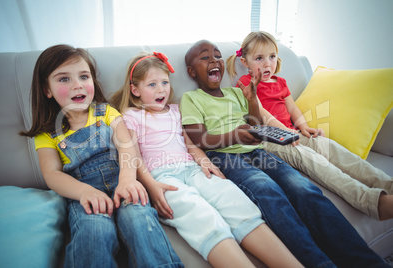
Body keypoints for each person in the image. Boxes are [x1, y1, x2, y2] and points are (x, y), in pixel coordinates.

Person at [181, 39, 389, 268]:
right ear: (191, 71)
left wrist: (251, 101)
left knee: (306, 190)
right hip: (226, 156)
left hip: (257, 149)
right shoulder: (191, 99)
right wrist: (235, 136)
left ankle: (367, 263)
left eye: (218, 55)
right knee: (269, 191)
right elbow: (200, 139)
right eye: (205, 57)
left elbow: (257, 123)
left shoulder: (237, 92)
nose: (214, 60)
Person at [110, 51, 303, 268]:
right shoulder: (130, 116)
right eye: (152, 84)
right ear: (135, 90)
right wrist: (151, 185)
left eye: (164, 82)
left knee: (233, 199)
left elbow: (190, 143)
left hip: (192, 169)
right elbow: (132, 156)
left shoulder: (175, 110)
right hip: (162, 176)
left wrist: (204, 161)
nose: (161, 89)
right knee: (201, 214)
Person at [19, 45, 183, 268]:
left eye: (83, 76)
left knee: (140, 221)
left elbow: (127, 145)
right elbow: (52, 174)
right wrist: (85, 192)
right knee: (94, 231)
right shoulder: (47, 134)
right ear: (47, 90)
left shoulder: (106, 112)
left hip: (123, 182)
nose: (77, 84)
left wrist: (127, 179)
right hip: (83, 194)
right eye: (64, 79)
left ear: (92, 82)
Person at [226, 31, 393, 221]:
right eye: (259, 58)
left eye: (272, 57)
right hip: (271, 139)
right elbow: (263, 114)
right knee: (316, 161)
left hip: (292, 133)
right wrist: (284, 131)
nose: (267, 64)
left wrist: (303, 127)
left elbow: (293, 109)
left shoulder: (280, 82)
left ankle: (388, 185)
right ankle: (373, 202)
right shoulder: (246, 83)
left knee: (333, 149)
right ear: (245, 63)